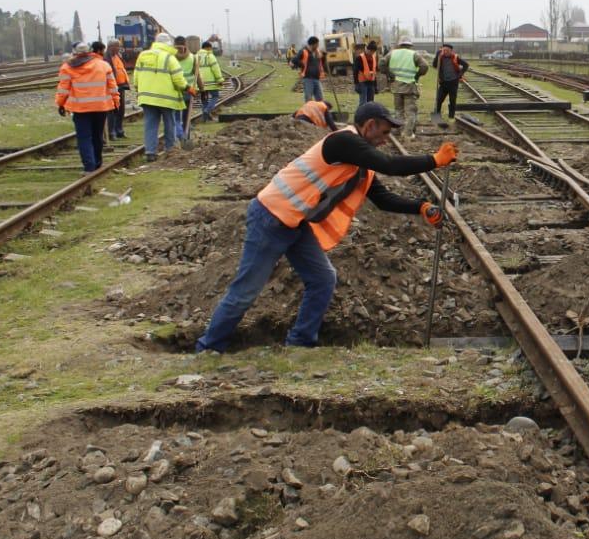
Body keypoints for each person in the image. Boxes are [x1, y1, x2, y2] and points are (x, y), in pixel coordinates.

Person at [193, 102, 459, 354]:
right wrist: (434, 160)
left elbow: (382, 199)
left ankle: (300, 344)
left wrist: (421, 207)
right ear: (369, 126)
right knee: (246, 291)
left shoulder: (359, 164)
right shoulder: (343, 141)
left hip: (296, 224)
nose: (385, 140)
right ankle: (209, 348)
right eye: (384, 132)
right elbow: (389, 165)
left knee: (323, 279)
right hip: (270, 218)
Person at [55, 41, 119, 173]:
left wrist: (61, 104)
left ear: (74, 53)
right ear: (90, 51)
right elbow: (112, 86)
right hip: (100, 107)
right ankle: (98, 163)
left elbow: (63, 90)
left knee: (84, 137)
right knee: (97, 136)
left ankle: (89, 166)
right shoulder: (103, 65)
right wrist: (116, 102)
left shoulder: (67, 67)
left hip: (80, 109)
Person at [132, 32, 189, 161]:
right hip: (166, 99)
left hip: (147, 98)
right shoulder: (169, 58)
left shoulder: (143, 55)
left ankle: (150, 152)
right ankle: (170, 150)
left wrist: (140, 90)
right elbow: (178, 79)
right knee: (170, 124)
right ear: (168, 44)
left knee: (150, 125)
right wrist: (187, 87)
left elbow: (136, 78)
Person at [384, 38, 428, 139]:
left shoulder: (392, 53)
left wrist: (390, 74)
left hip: (396, 87)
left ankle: (399, 130)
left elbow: (381, 64)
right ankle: (407, 134)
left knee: (398, 110)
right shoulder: (414, 54)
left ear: (400, 45)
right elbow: (424, 66)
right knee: (410, 112)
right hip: (410, 87)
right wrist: (417, 76)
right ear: (410, 45)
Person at [433, 42, 469, 121]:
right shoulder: (440, 57)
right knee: (439, 99)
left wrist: (460, 74)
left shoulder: (455, 57)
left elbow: (466, 65)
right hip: (443, 83)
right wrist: (437, 56)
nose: (445, 52)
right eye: (444, 50)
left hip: (453, 83)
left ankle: (451, 116)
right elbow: (434, 65)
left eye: (447, 50)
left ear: (451, 51)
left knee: (452, 100)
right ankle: (437, 116)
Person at [173, 37, 198, 142]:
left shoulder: (171, 57)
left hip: (175, 91)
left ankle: (179, 135)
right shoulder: (192, 57)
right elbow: (198, 76)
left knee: (176, 117)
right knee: (187, 116)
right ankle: (185, 137)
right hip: (188, 90)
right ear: (185, 44)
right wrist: (202, 89)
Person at [104, 41, 129, 139]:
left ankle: (119, 130)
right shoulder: (106, 58)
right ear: (111, 47)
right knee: (113, 110)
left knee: (121, 110)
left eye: (119, 46)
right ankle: (112, 132)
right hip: (112, 87)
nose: (119, 48)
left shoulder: (118, 56)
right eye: (117, 46)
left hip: (121, 86)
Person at [195, 40, 224, 121]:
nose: (211, 50)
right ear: (208, 48)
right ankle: (207, 111)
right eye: (210, 48)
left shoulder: (196, 56)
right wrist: (220, 79)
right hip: (211, 82)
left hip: (201, 83)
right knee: (215, 96)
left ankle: (205, 119)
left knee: (204, 99)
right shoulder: (210, 56)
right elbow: (215, 68)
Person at [292, 36, 325, 102]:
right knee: (308, 99)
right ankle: (309, 111)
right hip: (308, 79)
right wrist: (302, 65)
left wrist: (324, 57)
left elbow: (321, 62)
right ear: (313, 44)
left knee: (320, 99)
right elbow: (294, 60)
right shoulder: (303, 51)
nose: (318, 46)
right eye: (317, 44)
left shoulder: (317, 52)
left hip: (317, 79)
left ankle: (319, 112)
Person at [352, 40, 380, 106]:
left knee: (371, 103)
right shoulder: (359, 58)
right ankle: (361, 115)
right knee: (363, 103)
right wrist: (356, 84)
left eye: (373, 51)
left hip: (371, 83)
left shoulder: (374, 58)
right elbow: (355, 71)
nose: (372, 53)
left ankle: (369, 115)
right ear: (367, 49)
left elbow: (374, 72)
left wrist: (375, 86)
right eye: (371, 51)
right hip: (362, 83)